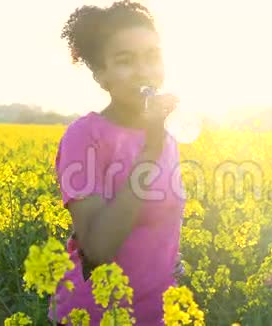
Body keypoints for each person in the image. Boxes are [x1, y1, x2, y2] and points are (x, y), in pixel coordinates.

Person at [50, 1, 185, 324]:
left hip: (158, 314)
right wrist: (149, 153)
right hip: (94, 315)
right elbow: (97, 250)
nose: (144, 71)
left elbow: (160, 226)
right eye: (125, 61)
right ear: (101, 75)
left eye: (152, 56)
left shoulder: (166, 139)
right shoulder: (84, 137)